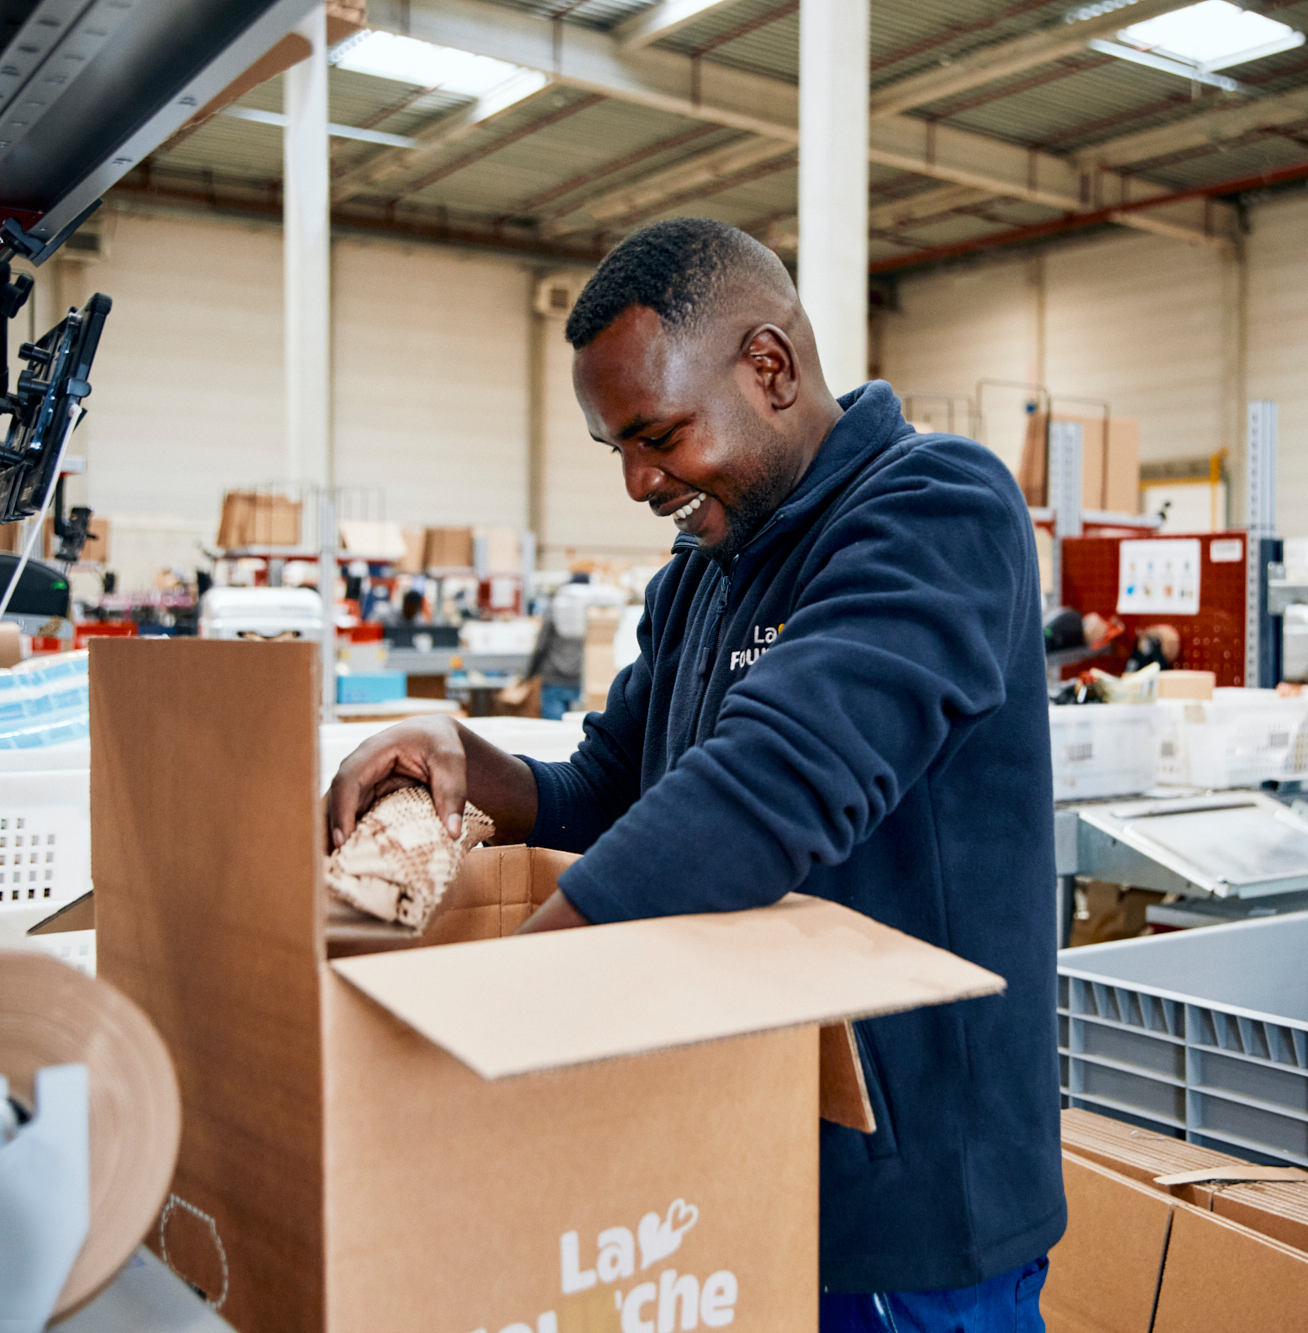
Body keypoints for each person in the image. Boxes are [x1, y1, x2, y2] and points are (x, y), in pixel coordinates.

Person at [327, 218, 1063, 1331]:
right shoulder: (704, 572)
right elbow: (618, 786)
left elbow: (772, 784)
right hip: (739, 1148)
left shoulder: (935, 510)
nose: (634, 480)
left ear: (766, 368)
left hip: (912, 1202)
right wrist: (468, 767)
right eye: (614, 447)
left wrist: (488, 1011)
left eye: (656, 433)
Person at [524, 574, 590, 719]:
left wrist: (528, 674)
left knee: (554, 729)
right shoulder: (591, 611)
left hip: (553, 676)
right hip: (579, 677)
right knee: (575, 727)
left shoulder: (553, 608)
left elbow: (541, 645)